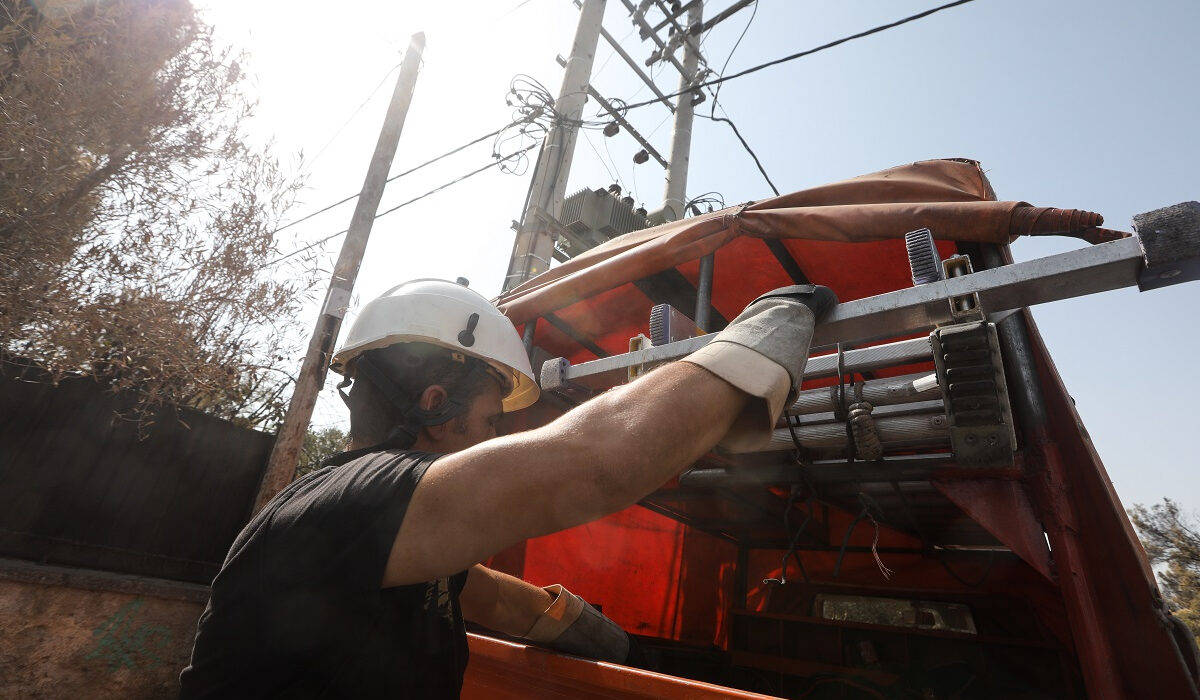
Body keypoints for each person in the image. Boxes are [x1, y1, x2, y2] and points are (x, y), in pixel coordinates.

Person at [179, 277, 835, 698]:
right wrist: (770, 328)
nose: (493, 441)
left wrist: (622, 648)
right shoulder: (359, 502)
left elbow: (508, 604)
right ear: (434, 404)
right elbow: (601, 460)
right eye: (490, 421)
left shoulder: (382, 533)